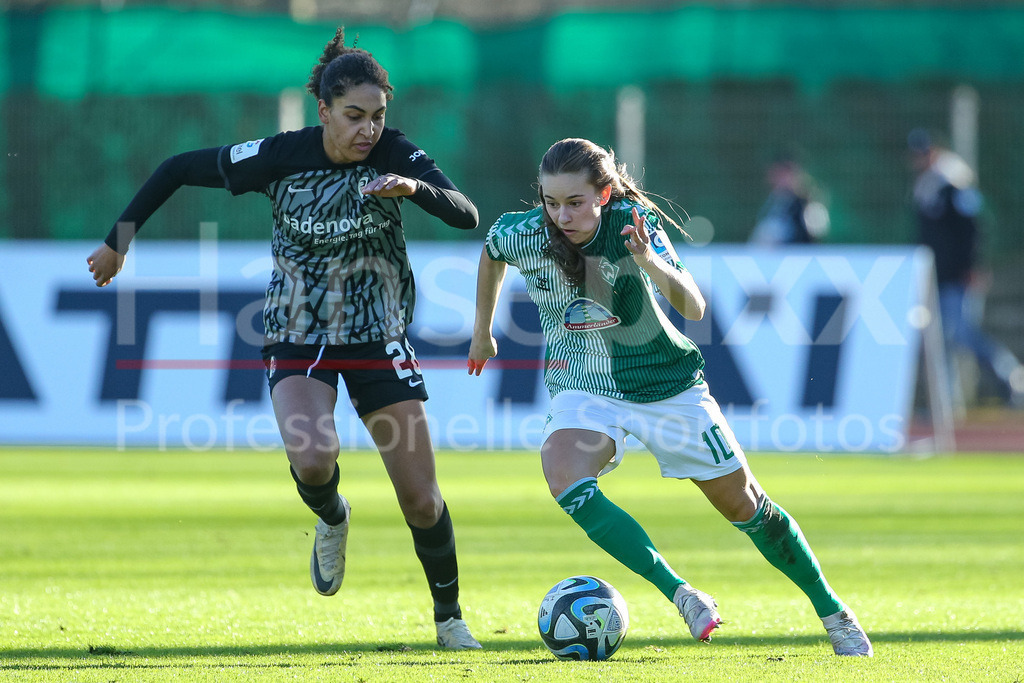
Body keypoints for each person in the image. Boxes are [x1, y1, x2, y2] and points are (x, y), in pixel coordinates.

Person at [87, 28, 483, 650]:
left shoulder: (396, 156)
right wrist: (119, 239)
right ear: (323, 111)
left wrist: (415, 190)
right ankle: (333, 516)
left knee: (422, 501)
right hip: (296, 332)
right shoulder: (278, 155)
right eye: (354, 116)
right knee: (312, 458)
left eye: (378, 117)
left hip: (377, 335)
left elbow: (465, 212)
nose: (368, 130)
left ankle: (450, 619)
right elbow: (176, 169)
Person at [468, 137, 872, 656]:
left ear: (604, 194)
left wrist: (650, 263)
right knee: (564, 476)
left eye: (574, 202)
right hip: (583, 384)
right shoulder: (523, 233)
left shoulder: (635, 224)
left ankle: (833, 611)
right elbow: (491, 254)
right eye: (550, 201)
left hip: (666, 384)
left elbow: (695, 306)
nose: (560, 215)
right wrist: (483, 332)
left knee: (747, 507)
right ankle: (681, 594)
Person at [908, 128, 1023, 407]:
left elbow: (974, 227)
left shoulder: (952, 182)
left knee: (959, 332)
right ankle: (945, 403)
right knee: (941, 338)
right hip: (936, 275)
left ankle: (1009, 373)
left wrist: (973, 265)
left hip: (958, 274)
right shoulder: (927, 187)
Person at [748, 149, 829, 246]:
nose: (781, 179)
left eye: (785, 174)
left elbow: (814, 236)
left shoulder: (808, 204)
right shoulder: (773, 203)